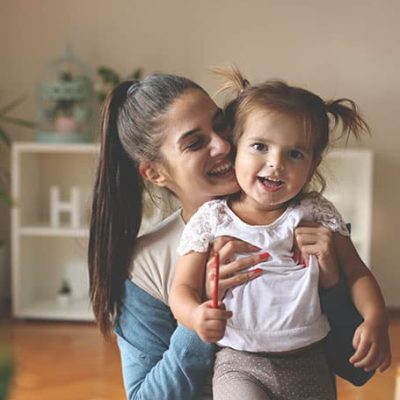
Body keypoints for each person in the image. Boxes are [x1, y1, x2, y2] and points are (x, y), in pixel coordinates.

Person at [88, 73, 375, 400]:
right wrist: (199, 317)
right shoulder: (145, 268)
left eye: (222, 125)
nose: (223, 144)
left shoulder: (305, 223)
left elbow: (359, 371)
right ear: (155, 172)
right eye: (195, 143)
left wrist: (331, 286)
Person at [169, 69, 392, 400]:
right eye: (260, 146)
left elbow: (357, 273)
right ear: (234, 149)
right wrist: (195, 316)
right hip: (239, 363)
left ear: (313, 164)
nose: (276, 163)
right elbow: (182, 288)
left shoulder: (317, 212)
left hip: (309, 362)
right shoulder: (214, 218)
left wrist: (376, 319)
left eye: (295, 154)